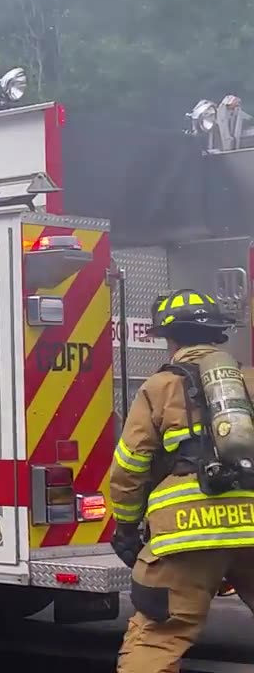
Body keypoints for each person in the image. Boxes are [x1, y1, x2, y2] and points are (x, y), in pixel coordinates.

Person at [110, 287, 254, 671]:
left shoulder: (160, 387)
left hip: (187, 534)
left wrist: (126, 525)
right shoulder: (249, 383)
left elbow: (130, 465)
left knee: (158, 638)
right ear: (218, 335)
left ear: (169, 338)